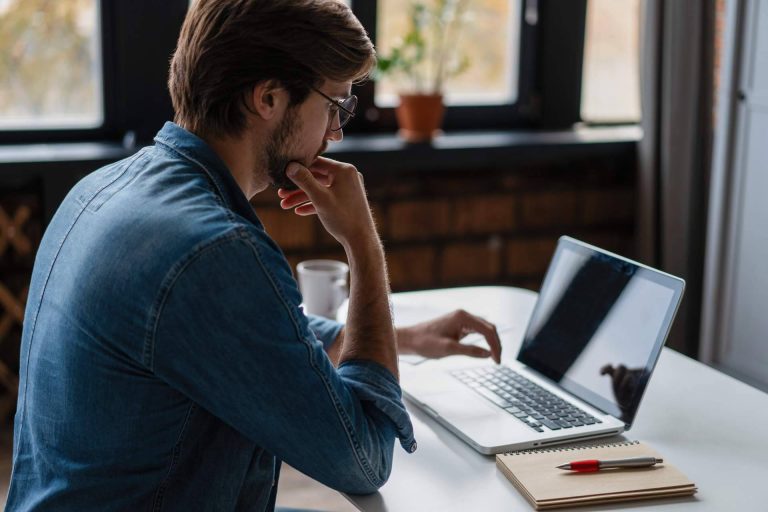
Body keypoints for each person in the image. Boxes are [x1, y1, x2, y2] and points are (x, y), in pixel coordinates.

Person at [6, 1, 501, 510]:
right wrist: (362, 244)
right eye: (335, 106)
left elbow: (248, 336)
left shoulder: (99, 189)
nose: (336, 134)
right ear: (268, 97)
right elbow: (365, 458)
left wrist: (404, 338)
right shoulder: (215, 249)